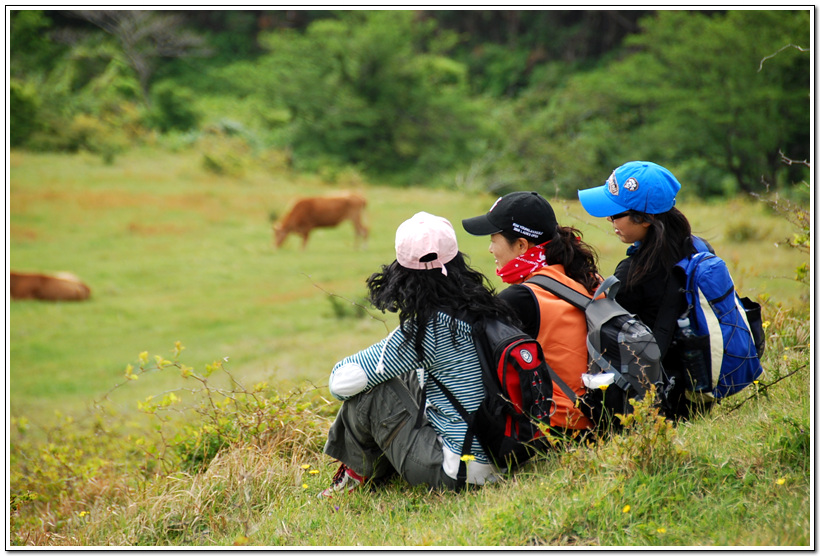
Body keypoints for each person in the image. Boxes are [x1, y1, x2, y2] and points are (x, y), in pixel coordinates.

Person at [319, 211, 518, 497]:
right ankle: (363, 472)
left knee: (370, 394)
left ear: (401, 271)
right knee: (409, 374)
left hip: (458, 472)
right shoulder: (488, 309)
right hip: (504, 455)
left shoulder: (429, 330)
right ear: (456, 259)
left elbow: (341, 384)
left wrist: (394, 342)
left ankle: (352, 479)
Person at [576, 160, 711, 419]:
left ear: (645, 218)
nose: (609, 219)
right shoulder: (695, 248)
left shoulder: (634, 272)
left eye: (616, 214)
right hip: (692, 386)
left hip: (656, 400)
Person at [462, 191, 601, 435]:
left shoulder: (524, 297)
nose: (490, 249)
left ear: (521, 245)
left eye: (494, 239)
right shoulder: (585, 276)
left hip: (559, 428)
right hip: (601, 417)